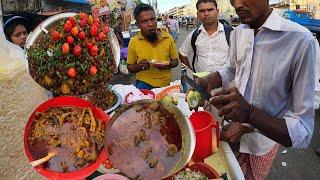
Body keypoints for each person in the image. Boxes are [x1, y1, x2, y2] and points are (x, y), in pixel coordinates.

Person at [197, 0, 317, 179]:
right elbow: (231, 69)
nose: (237, 4)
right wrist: (211, 80)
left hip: (261, 144)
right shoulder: (238, 33)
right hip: (231, 132)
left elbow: (302, 131)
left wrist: (249, 118)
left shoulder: (300, 41)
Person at [126, 4, 179, 90]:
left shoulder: (168, 38)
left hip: (164, 82)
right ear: (137, 24)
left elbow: (175, 62)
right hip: (143, 82)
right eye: (144, 21)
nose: (150, 24)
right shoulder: (133, 42)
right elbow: (130, 67)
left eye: (152, 19)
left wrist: (168, 65)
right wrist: (139, 66)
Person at [179, 0, 229, 73]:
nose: (206, 14)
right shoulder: (194, 35)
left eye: (210, 10)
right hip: (203, 83)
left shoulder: (231, 33)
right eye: (202, 11)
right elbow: (182, 53)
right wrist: (191, 73)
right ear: (198, 14)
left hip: (229, 84)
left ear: (217, 11)